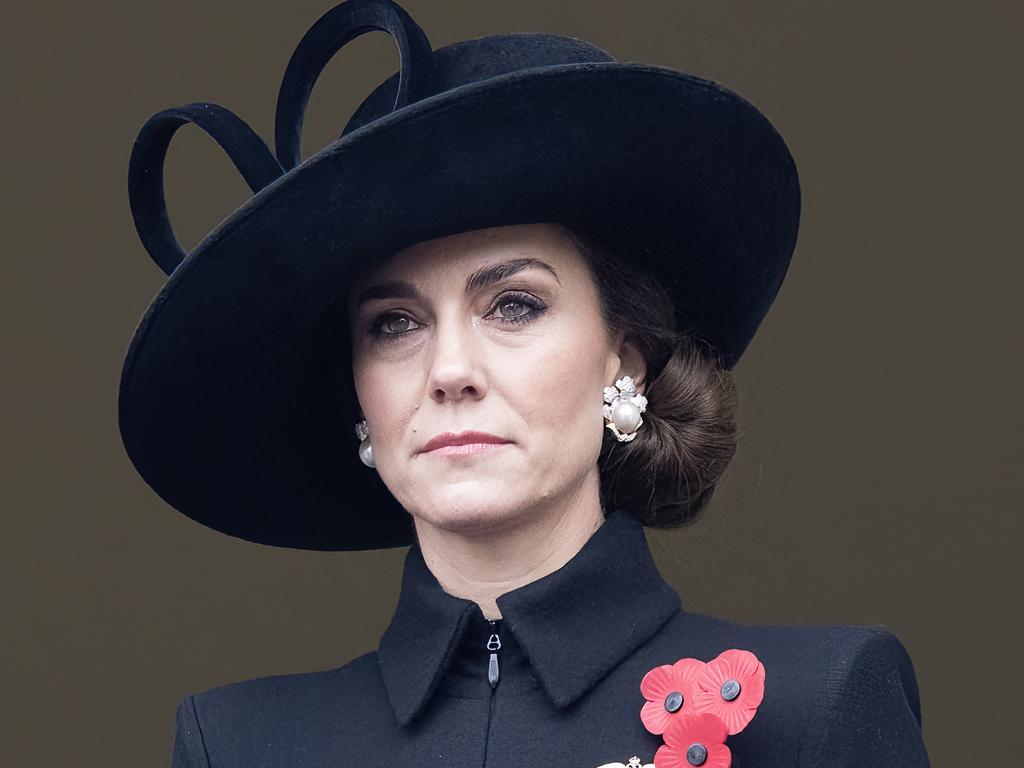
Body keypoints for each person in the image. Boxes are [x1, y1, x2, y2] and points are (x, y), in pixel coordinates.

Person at [120, 1, 932, 766]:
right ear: (358, 392)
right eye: (394, 324)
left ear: (627, 357)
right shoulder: (241, 745)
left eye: (515, 305)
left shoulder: (815, 708)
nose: (449, 373)